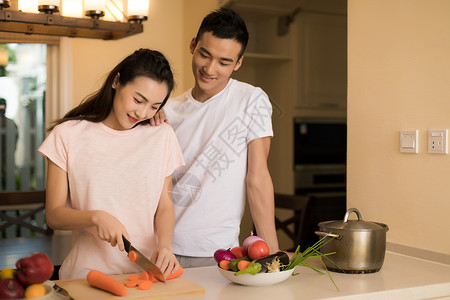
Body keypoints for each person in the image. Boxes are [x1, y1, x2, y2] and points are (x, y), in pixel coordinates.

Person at [38, 49, 185, 279]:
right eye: (138, 99)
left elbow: (164, 205)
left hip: (144, 275)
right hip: (86, 276)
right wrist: (95, 217)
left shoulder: (161, 135)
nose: (143, 112)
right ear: (117, 81)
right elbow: (54, 215)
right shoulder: (67, 135)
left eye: (154, 106)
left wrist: (165, 245)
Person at [151, 8, 281, 268]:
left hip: (216, 251)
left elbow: (257, 178)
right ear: (193, 46)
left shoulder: (251, 100)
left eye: (224, 62)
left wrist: (272, 254)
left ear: (239, 62)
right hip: (159, 246)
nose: (210, 69)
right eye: (204, 54)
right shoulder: (167, 110)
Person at [0, 98, 18, 190]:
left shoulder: (11, 123)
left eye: (3, 106)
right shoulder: (11, 123)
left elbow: (15, 140)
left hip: (8, 156)